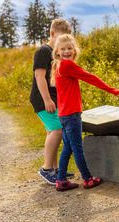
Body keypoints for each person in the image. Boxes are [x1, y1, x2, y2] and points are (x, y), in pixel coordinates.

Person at [50, 34, 119, 191]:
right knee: (77, 148)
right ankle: (88, 179)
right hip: (71, 114)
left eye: (69, 48)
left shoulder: (59, 66)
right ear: (57, 51)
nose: (67, 51)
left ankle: (61, 180)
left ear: (74, 50)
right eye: (63, 49)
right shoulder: (67, 66)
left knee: (68, 148)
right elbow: (90, 78)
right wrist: (112, 90)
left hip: (63, 115)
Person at [30, 18, 74, 185]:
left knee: (53, 131)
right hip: (42, 99)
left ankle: (56, 170)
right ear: (52, 34)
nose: (63, 42)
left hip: (54, 99)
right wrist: (47, 99)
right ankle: (47, 169)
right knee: (57, 129)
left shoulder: (56, 53)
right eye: (61, 37)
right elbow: (39, 76)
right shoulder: (44, 51)